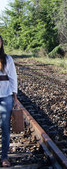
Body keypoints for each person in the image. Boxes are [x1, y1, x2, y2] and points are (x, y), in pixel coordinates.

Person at [0, 35, 19, 167]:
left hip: (5, 96)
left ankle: (4, 157)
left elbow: (13, 79)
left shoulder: (7, 59)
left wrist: (15, 98)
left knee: (5, 128)